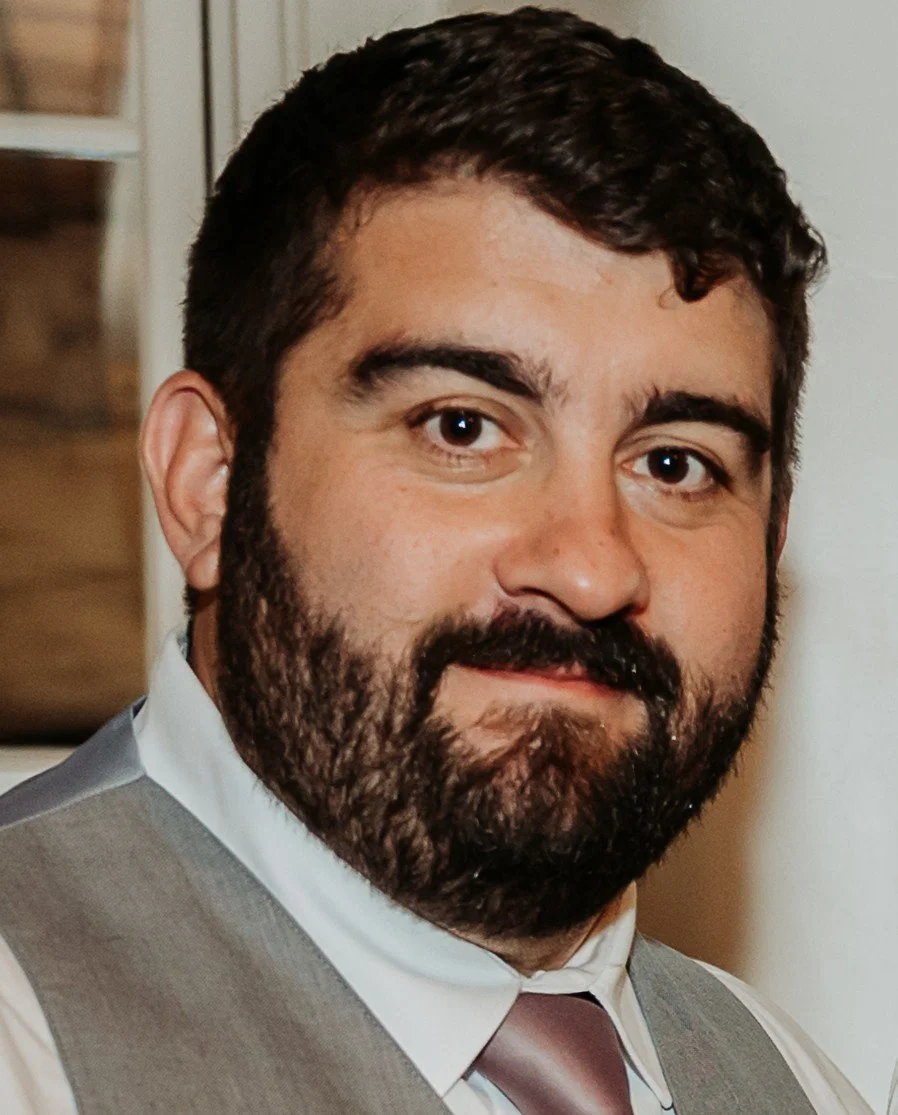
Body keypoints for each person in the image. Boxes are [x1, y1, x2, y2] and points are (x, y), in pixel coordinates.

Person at [0, 8, 872, 1114]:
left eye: (674, 462)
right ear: (208, 480)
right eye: (463, 427)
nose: (592, 568)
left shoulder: (795, 1083)